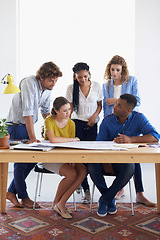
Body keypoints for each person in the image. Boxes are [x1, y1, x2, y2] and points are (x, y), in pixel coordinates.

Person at [87, 94, 159, 217]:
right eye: (116, 104)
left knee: (131, 167)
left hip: (124, 163)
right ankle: (109, 198)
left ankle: (105, 200)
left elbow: (155, 137)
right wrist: (106, 162)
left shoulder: (139, 118)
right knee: (92, 166)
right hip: (107, 160)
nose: (114, 107)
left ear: (128, 110)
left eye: (119, 105)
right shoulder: (107, 120)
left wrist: (130, 139)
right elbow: (99, 144)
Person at [6, 62, 62, 208]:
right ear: (41, 77)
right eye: (51, 80)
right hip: (16, 127)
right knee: (20, 162)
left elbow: (45, 112)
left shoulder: (48, 89)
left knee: (32, 159)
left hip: (26, 127)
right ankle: (24, 197)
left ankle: (11, 192)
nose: (53, 84)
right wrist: (32, 137)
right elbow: (28, 112)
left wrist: (53, 129)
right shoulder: (29, 82)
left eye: (56, 80)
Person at [42, 97, 87, 219]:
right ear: (56, 111)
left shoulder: (71, 123)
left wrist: (72, 159)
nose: (68, 113)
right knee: (71, 174)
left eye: (69, 109)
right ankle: (57, 203)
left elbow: (71, 146)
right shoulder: (49, 121)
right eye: (64, 111)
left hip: (67, 156)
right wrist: (72, 139)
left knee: (83, 171)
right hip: (51, 157)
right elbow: (53, 140)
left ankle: (60, 203)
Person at [66, 62, 103, 204]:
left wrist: (94, 116)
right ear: (75, 76)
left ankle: (83, 183)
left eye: (85, 76)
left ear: (89, 74)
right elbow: (69, 110)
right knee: (79, 157)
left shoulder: (96, 86)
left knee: (90, 156)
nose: (83, 79)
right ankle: (85, 188)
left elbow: (99, 105)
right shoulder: (71, 88)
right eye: (79, 77)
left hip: (93, 124)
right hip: (77, 125)